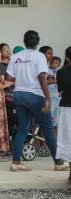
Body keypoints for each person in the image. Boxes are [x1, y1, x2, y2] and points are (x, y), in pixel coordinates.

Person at [6, 31, 69, 172]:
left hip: (19, 95)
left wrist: (23, 77)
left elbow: (9, 78)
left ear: (24, 41)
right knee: (48, 129)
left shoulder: (16, 56)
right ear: (37, 42)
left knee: (23, 128)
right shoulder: (39, 56)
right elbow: (42, 77)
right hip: (35, 96)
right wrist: (47, 98)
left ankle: (16, 162)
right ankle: (58, 162)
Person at [55, 46, 71, 184]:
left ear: (67, 58)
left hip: (67, 108)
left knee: (68, 140)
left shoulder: (61, 72)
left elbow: (60, 90)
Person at [48, 55, 62, 129]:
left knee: (57, 110)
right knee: (51, 110)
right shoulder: (46, 70)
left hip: (57, 94)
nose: (56, 65)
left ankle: (55, 122)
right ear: (50, 63)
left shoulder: (59, 71)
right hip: (50, 93)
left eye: (58, 63)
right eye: (54, 63)